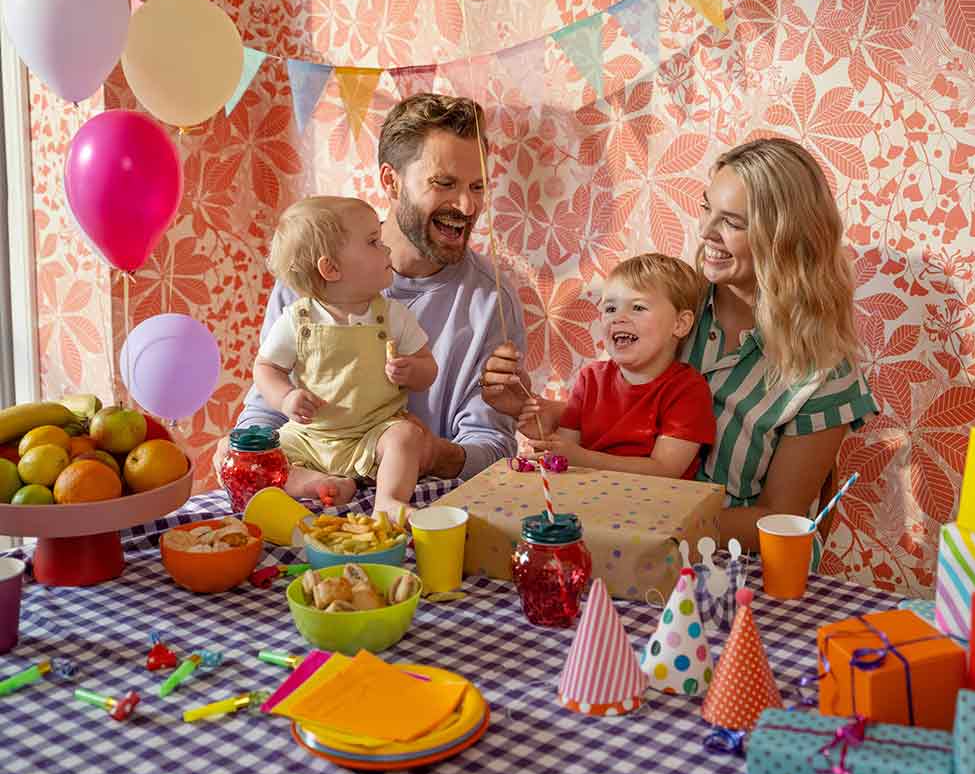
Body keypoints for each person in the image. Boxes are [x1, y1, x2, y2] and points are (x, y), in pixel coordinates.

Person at [483, 137, 876, 557]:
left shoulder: (824, 372)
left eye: (733, 222)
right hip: (621, 539)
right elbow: (621, 412)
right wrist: (534, 408)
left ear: (785, 239)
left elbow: (779, 519)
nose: (706, 232)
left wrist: (647, 522)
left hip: (733, 566)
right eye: (707, 207)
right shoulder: (666, 309)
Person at [215, 93, 525, 497]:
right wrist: (251, 454)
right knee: (229, 451)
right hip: (312, 478)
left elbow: (493, 446)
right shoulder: (313, 276)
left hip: (417, 497)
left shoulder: (491, 301)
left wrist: (433, 453)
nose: (467, 205)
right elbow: (266, 409)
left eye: (477, 186)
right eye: (444, 183)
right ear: (391, 182)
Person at [253, 196, 439, 516]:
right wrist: (285, 398)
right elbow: (266, 367)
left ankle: (389, 500)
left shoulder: (393, 316)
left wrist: (413, 371)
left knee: (407, 436)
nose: (387, 249)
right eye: (373, 242)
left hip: (373, 434)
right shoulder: (298, 320)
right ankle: (317, 483)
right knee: (259, 460)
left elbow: (429, 369)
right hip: (310, 437)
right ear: (331, 268)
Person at [517, 253, 716, 479]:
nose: (618, 318)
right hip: (587, 500)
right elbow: (563, 457)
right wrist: (542, 439)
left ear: (680, 324)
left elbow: (666, 469)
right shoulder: (590, 379)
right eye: (610, 309)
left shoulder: (687, 390)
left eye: (638, 307)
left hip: (656, 506)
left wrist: (582, 458)